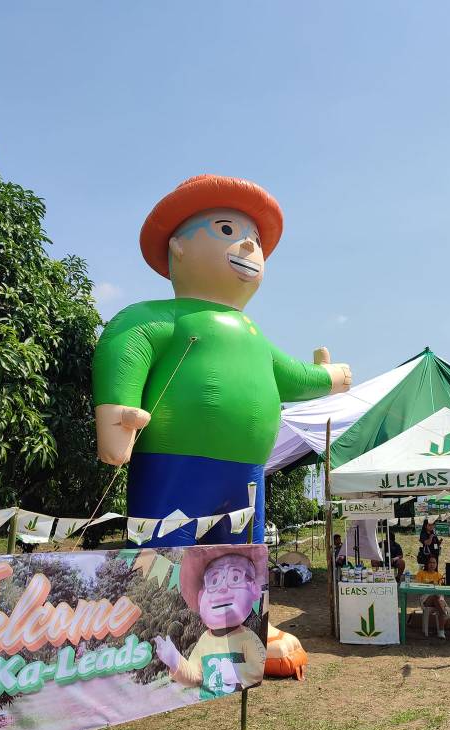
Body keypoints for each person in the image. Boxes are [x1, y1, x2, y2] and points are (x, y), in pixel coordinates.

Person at [93, 175, 352, 546]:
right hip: (172, 462)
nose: (248, 244)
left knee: (241, 561)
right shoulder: (159, 317)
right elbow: (125, 345)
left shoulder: (253, 334)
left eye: (256, 239)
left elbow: (291, 375)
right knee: (165, 561)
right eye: (227, 229)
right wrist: (117, 416)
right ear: (178, 247)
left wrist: (328, 376)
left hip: (247, 472)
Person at [154, 546, 267, 699]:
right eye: (214, 581)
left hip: (233, 702)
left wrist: (236, 672)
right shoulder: (204, 641)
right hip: (208, 704)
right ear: (201, 597)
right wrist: (175, 661)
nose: (222, 588)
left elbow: (259, 669)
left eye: (235, 578)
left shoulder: (247, 638)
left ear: (254, 590)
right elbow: (195, 676)